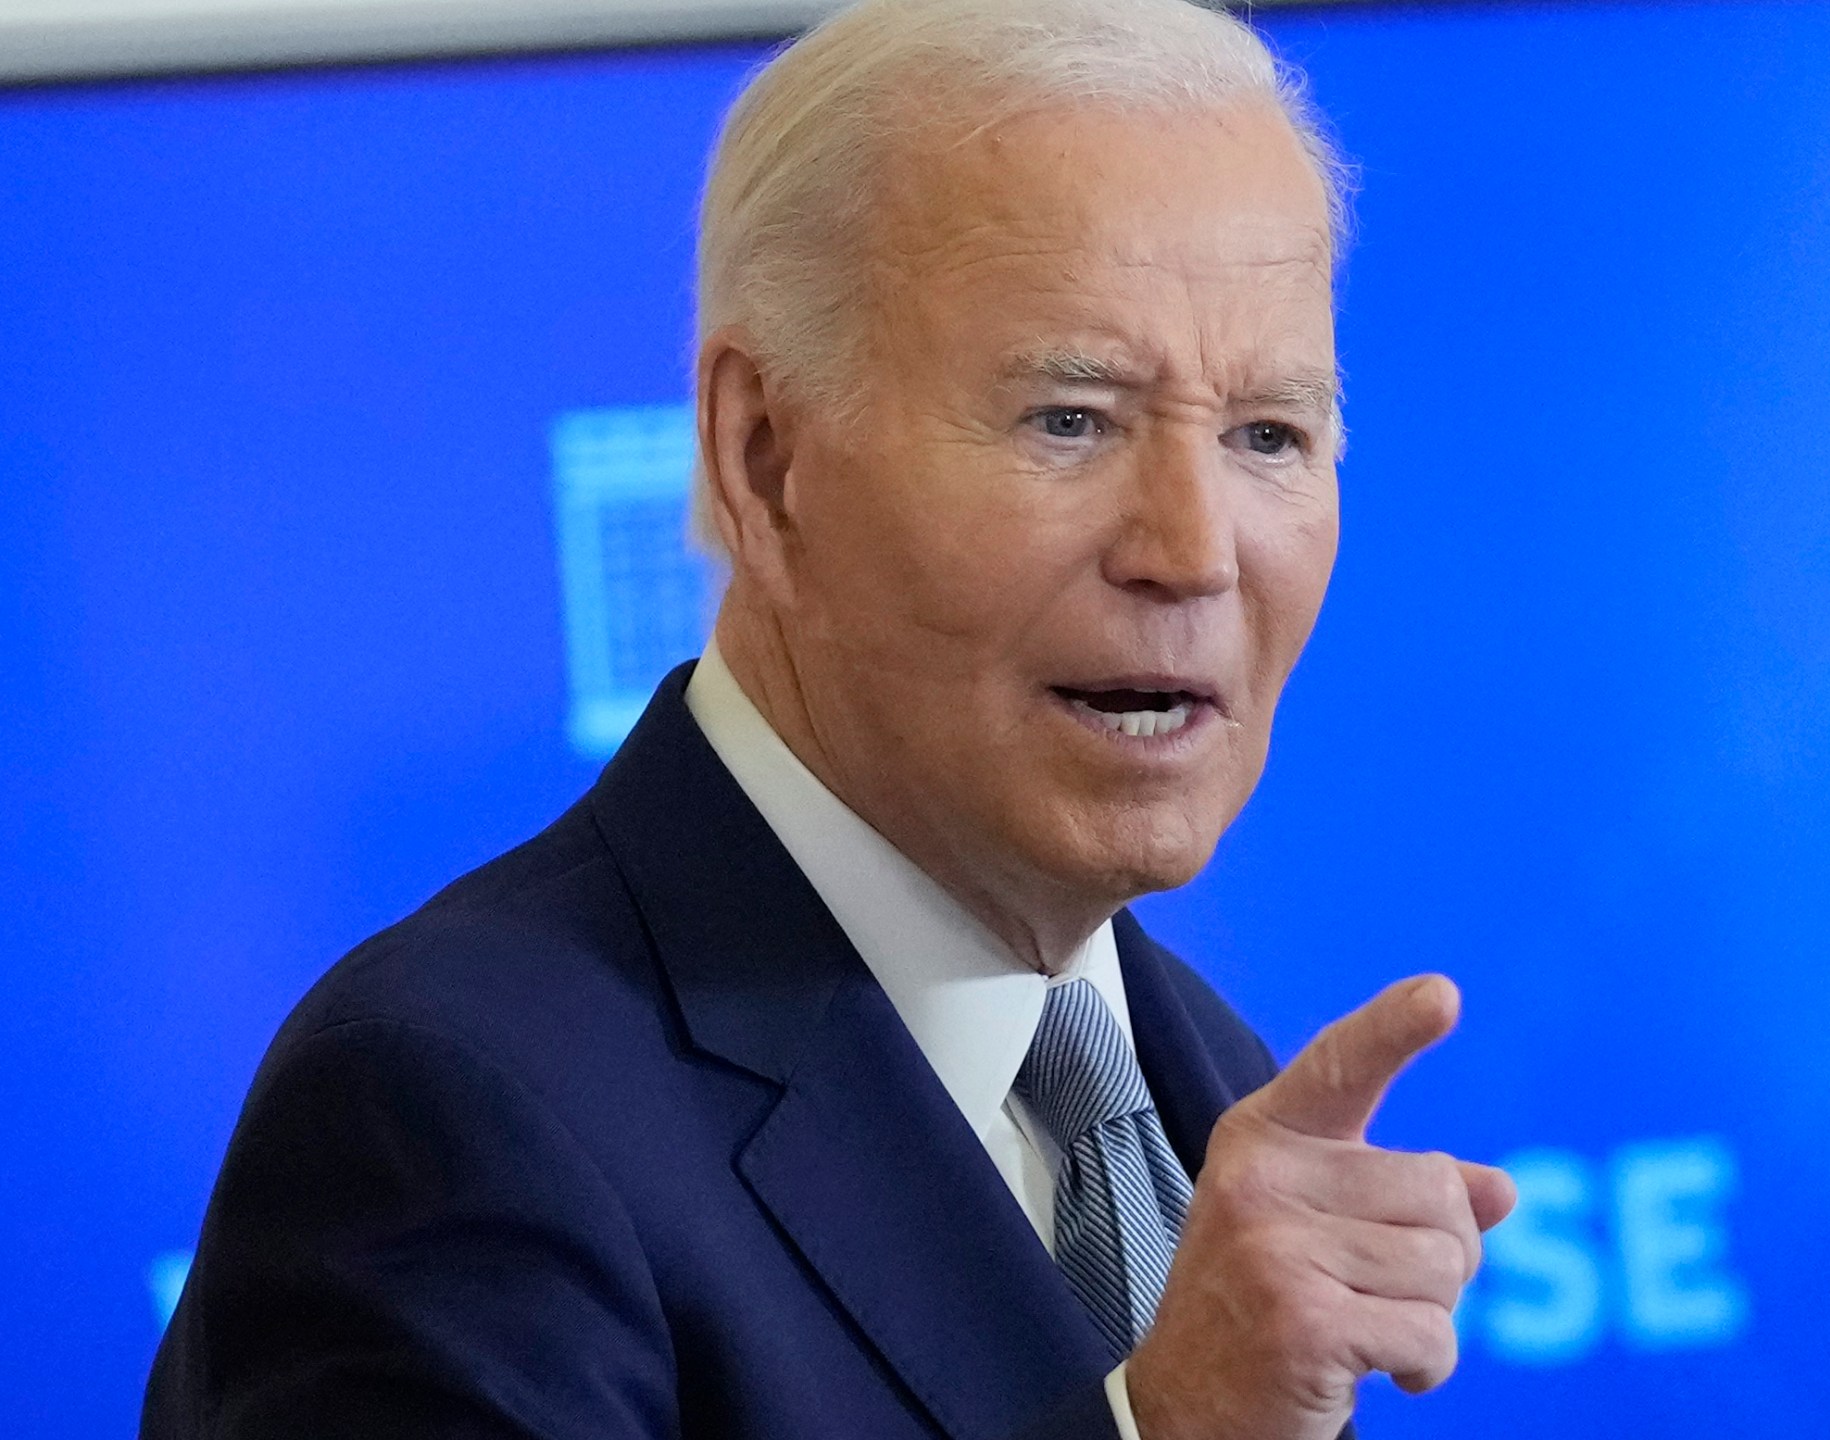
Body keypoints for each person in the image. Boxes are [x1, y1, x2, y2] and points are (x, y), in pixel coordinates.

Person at [140, 0, 1515, 1436]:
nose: (1194, 548)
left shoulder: (1208, 1084)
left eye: (1268, 437)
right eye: (1071, 418)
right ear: (767, 459)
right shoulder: (443, 1119)